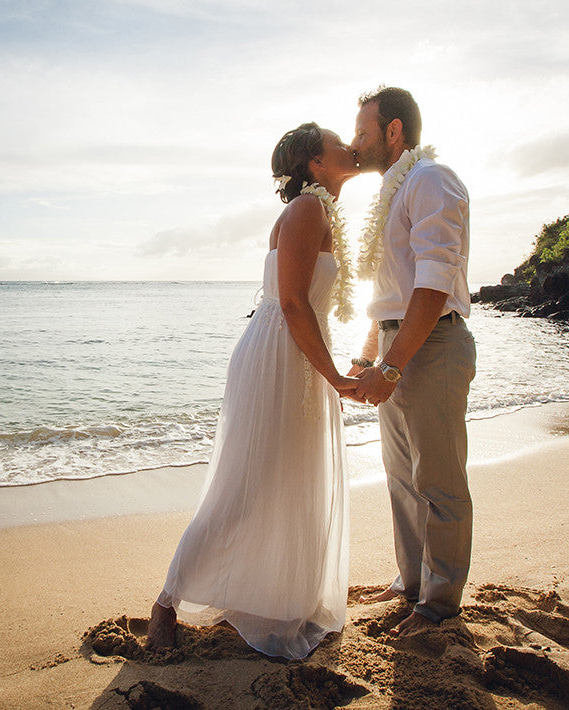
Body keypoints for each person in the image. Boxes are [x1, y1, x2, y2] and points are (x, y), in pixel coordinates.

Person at [146, 123, 359, 660]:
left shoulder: (318, 212)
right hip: (281, 354)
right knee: (246, 482)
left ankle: (284, 596)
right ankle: (167, 602)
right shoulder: (308, 211)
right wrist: (333, 376)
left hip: (293, 350)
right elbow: (291, 302)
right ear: (315, 163)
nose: (348, 147)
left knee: (291, 477)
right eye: (338, 141)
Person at [347, 86, 476, 637]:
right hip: (401, 343)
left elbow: (432, 282)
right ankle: (413, 582)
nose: (355, 143)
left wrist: (395, 366)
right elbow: (390, 297)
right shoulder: (390, 195)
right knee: (401, 475)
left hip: (434, 346)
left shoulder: (431, 180)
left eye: (361, 132)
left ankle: (441, 603)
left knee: (439, 480)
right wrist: (367, 357)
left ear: (393, 131)